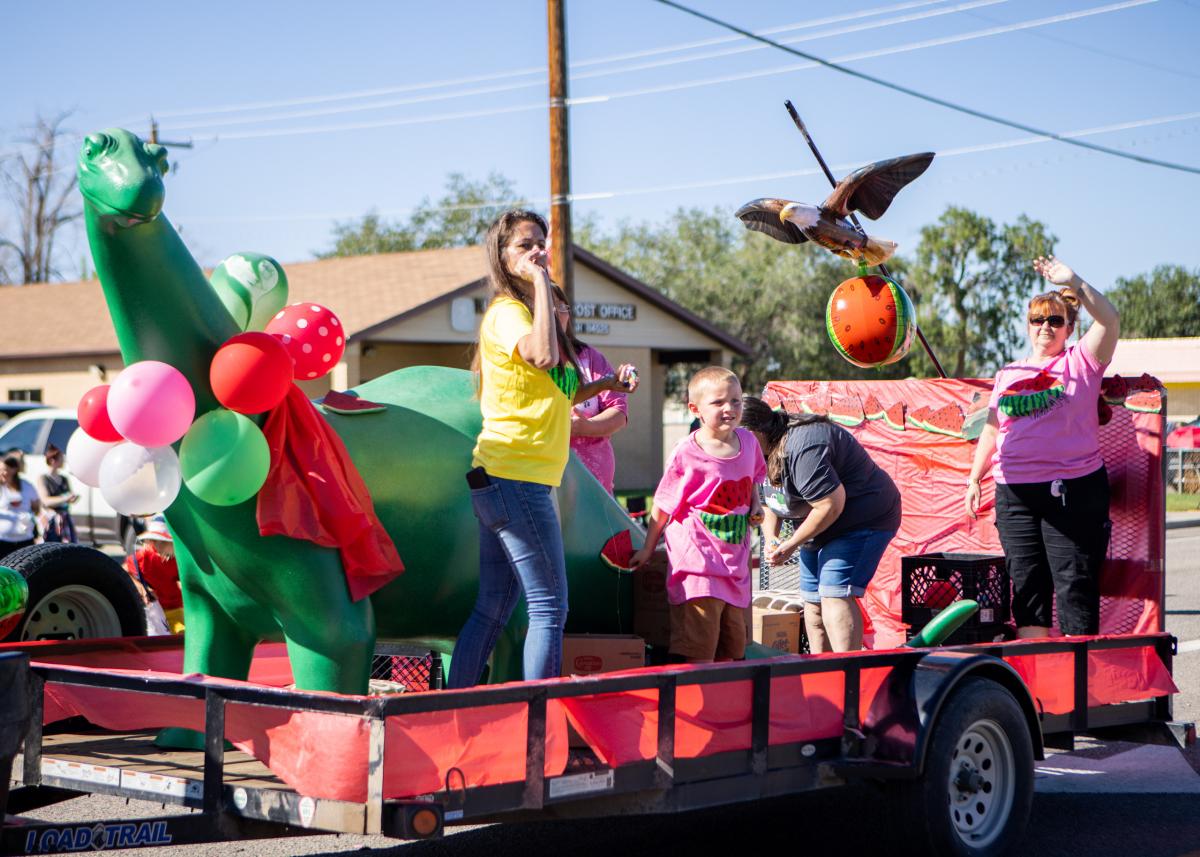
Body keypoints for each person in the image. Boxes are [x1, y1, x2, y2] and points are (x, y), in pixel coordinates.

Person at [449, 210, 639, 687]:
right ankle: (539, 719)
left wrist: (608, 383)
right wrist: (538, 283)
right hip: (517, 477)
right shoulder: (508, 313)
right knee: (550, 605)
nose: (537, 251)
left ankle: (451, 707)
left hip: (509, 477)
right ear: (503, 256)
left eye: (541, 243)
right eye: (524, 245)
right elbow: (543, 355)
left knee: (494, 607)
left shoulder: (534, 317)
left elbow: (561, 389)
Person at [965, 256, 1120, 638]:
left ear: (1069, 327)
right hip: (1014, 493)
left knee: (1074, 587)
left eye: (1054, 320)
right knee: (1028, 591)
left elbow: (1110, 320)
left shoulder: (1081, 361)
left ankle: (1078, 691)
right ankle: (1039, 690)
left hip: (1072, 490)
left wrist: (1076, 283)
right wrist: (974, 478)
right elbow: (992, 428)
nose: (1045, 327)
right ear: (1028, 326)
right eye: (1037, 320)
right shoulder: (1009, 373)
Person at [741, 397, 901, 653]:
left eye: (735, 439)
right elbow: (770, 502)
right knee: (813, 607)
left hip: (862, 518)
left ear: (753, 434)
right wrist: (771, 538)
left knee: (834, 593)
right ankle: (821, 672)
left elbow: (830, 505)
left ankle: (849, 673)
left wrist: (792, 543)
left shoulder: (802, 446)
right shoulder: (758, 453)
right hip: (819, 527)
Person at [631, 367, 765, 663]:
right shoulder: (686, 452)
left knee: (733, 645)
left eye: (736, 400)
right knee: (698, 645)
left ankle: (726, 705)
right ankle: (692, 701)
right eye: (718, 403)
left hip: (734, 564)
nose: (729, 408)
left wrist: (755, 506)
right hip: (697, 563)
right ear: (696, 409)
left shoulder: (749, 442)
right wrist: (648, 548)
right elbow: (663, 504)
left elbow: (752, 479)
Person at [552, 285, 633, 494]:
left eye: (561, 306)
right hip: (546, 476)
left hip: (595, 479)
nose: (554, 312)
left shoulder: (589, 357)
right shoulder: (526, 361)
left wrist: (584, 427)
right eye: (546, 304)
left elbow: (618, 412)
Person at [123, 515, 184, 634]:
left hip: (176, 609)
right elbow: (123, 571)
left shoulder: (179, 558)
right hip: (154, 611)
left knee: (183, 635)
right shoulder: (144, 557)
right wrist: (139, 586)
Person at [0, 454, 40, 561]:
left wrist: (29, 517)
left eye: (5, 469)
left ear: (14, 469)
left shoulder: (26, 486)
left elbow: (36, 507)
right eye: (1, 470)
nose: (3, 473)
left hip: (25, 539)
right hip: (3, 540)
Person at [37, 445, 78, 544]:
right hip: (51, 519)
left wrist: (71, 499)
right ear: (52, 460)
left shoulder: (64, 479)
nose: (63, 461)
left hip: (65, 519)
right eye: (61, 458)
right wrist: (65, 498)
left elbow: (69, 496)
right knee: (51, 545)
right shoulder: (43, 478)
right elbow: (46, 501)